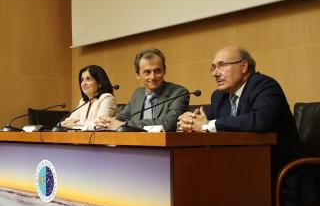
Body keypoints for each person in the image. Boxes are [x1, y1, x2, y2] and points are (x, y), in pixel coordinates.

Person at [177, 46, 303, 176]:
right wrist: (190, 122)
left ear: (243, 67)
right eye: (213, 67)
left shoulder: (265, 86)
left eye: (222, 65)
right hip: (241, 167)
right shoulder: (220, 96)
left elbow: (260, 121)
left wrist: (206, 125)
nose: (215, 73)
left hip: (279, 170)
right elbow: (214, 122)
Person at [96, 48, 189, 132]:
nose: (152, 77)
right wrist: (107, 121)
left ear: (164, 70)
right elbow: (122, 118)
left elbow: (168, 124)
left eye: (157, 71)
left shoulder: (179, 93)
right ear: (137, 74)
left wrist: (125, 125)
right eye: (147, 72)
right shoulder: (138, 94)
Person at [62, 65, 117, 130]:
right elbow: (65, 123)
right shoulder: (83, 101)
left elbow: (100, 126)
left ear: (99, 83)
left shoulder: (107, 98)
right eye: (82, 80)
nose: (84, 83)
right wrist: (83, 125)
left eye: (88, 79)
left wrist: (75, 125)